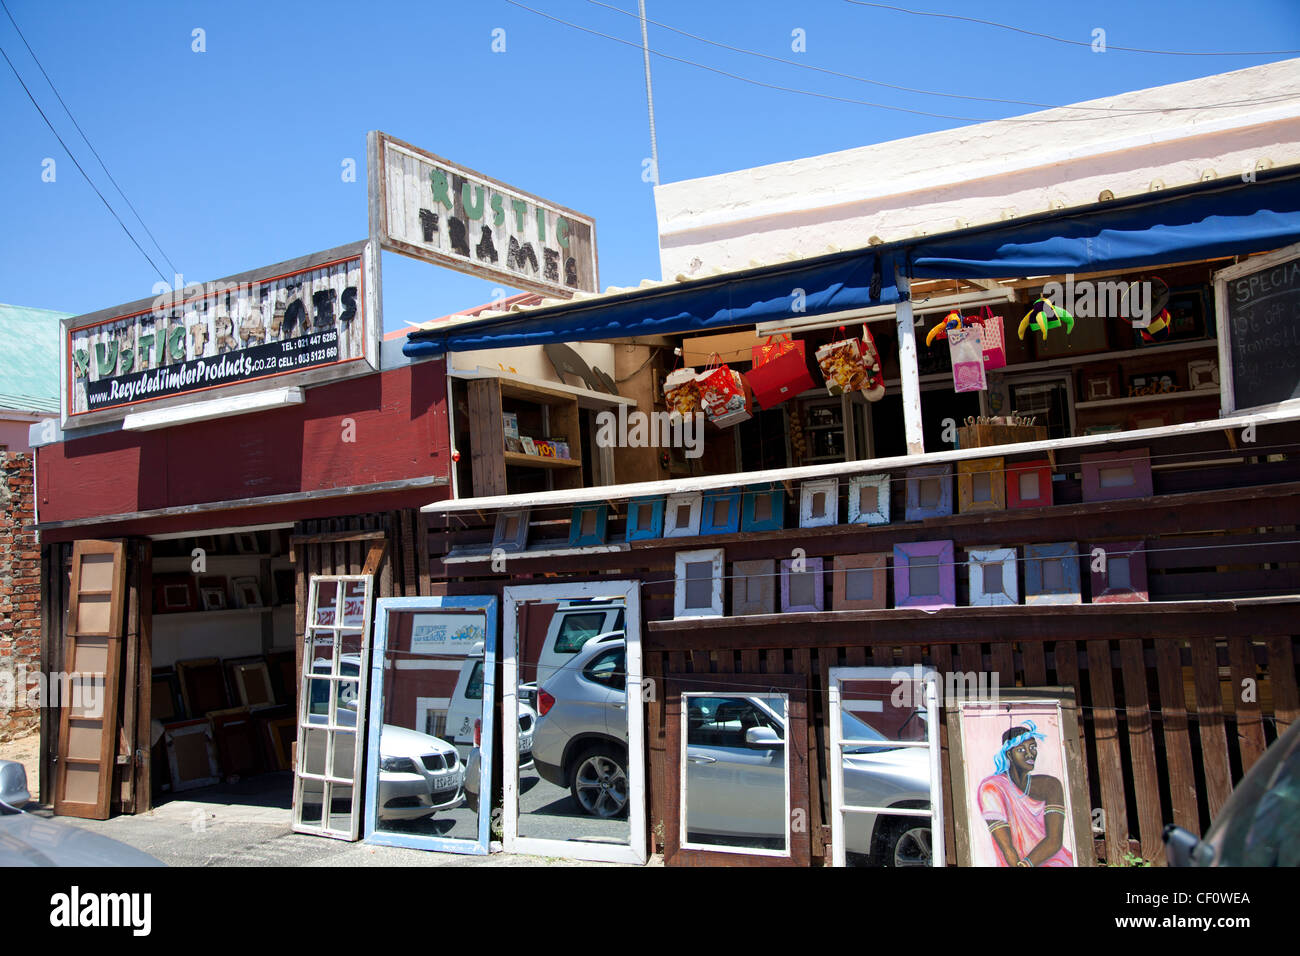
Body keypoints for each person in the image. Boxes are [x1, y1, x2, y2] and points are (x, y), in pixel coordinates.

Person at [978, 720, 1073, 867]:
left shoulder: (1051, 785)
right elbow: (1006, 847)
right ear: (1009, 754)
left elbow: (1054, 840)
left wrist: (1026, 865)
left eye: (1033, 747)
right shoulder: (992, 788)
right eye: (1021, 750)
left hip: (1055, 862)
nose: (1030, 754)